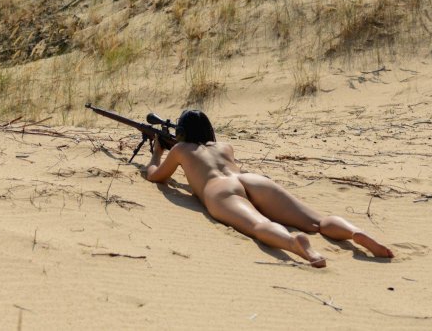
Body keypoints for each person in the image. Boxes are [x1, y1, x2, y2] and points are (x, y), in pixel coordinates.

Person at [144, 110, 394, 268]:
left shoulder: (180, 150)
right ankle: (355, 232)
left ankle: (294, 243)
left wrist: (157, 153)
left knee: (258, 224)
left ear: (181, 133)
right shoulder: (225, 147)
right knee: (318, 221)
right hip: (251, 180)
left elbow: (156, 177)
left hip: (219, 189)